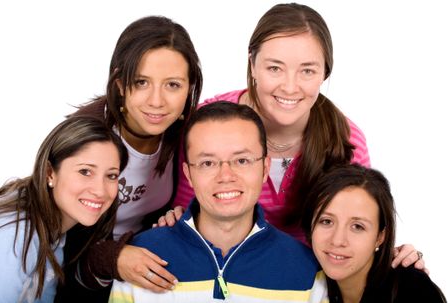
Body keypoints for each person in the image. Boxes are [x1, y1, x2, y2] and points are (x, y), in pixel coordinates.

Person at [168, 2, 424, 270]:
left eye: (307, 71)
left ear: (325, 72)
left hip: (308, 283)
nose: (290, 87)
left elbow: (356, 231)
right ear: (252, 63)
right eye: (275, 68)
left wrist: (394, 256)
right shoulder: (204, 126)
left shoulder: (347, 141)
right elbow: (182, 219)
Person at [109, 101, 328, 302]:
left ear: (265, 168)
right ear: (188, 174)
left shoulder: (306, 270)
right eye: (207, 163)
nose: (225, 176)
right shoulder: (139, 258)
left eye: (242, 160)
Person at [55, 15, 203, 301]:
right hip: (79, 280)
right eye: (142, 82)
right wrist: (113, 257)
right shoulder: (87, 137)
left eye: (172, 85)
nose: (157, 101)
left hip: (144, 270)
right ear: (121, 84)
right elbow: (56, 244)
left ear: (189, 88)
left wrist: (174, 217)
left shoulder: (183, 134)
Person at [0, 115, 128, 303]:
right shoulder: (15, 236)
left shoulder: (56, 231)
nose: (100, 191)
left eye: (111, 175)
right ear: (50, 173)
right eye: (85, 171)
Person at [300, 164, 446, 302]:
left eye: (357, 226)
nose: (337, 240)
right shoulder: (310, 285)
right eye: (326, 221)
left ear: (380, 237)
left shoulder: (413, 291)